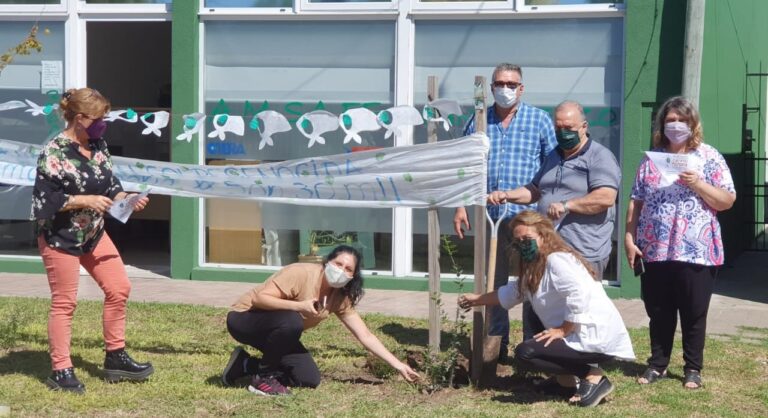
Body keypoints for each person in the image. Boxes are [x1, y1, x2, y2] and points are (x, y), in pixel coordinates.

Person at [31, 88, 153, 394]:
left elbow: (111, 184)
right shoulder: (53, 152)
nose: (104, 124)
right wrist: (82, 199)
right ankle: (60, 371)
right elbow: (44, 203)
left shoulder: (98, 144)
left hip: (94, 234)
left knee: (119, 288)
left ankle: (116, 356)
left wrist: (127, 199)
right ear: (80, 118)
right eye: (99, 118)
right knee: (65, 303)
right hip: (60, 238)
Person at [459, 211, 635, 408]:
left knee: (526, 353)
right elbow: (512, 293)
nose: (523, 244)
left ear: (543, 236)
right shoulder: (535, 265)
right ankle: (565, 384)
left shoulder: (556, 260)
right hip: (577, 334)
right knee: (534, 313)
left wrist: (563, 330)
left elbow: (578, 294)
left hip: (594, 336)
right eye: (518, 241)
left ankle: (593, 376)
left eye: (528, 239)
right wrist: (477, 300)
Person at [625, 96, 736, 390]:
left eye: (681, 121)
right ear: (662, 125)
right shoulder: (651, 160)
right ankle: (657, 364)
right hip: (655, 247)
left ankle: (692, 368)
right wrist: (628, 236)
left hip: (696, 250)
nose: (675, 126)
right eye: (670, 120)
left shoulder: (709, 157)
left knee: (694, 310)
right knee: (659, 310)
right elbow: (635, 201)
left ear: (692, 124)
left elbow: (726, 200)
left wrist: (697, 183)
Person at [453, 63, 557, 360]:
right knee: (493, 280)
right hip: (491, 216)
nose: (505, 89)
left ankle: (531, 343)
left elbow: (551, 168)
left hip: (527, 219)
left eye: (511, 84)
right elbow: (466, 166)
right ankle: (495, 342)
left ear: (521, 88)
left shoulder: (539, 121)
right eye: (499, 83)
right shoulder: (478, 121)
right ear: (491, 87)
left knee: (531, 279)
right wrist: (461, 204)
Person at [221, 245, 420, 396]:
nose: (342, 270)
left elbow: (365, 336)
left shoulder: (340, 297)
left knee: (308, 378)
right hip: (244, 319)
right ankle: (263, 379)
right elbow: (259, 299)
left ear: (353, 276)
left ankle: (245, 365)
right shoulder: (301, 273)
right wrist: (299, 306)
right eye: (338, 264)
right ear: (327, 262)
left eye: (348, 269)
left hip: (280, 332)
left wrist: (399, 365)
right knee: (292, 321)